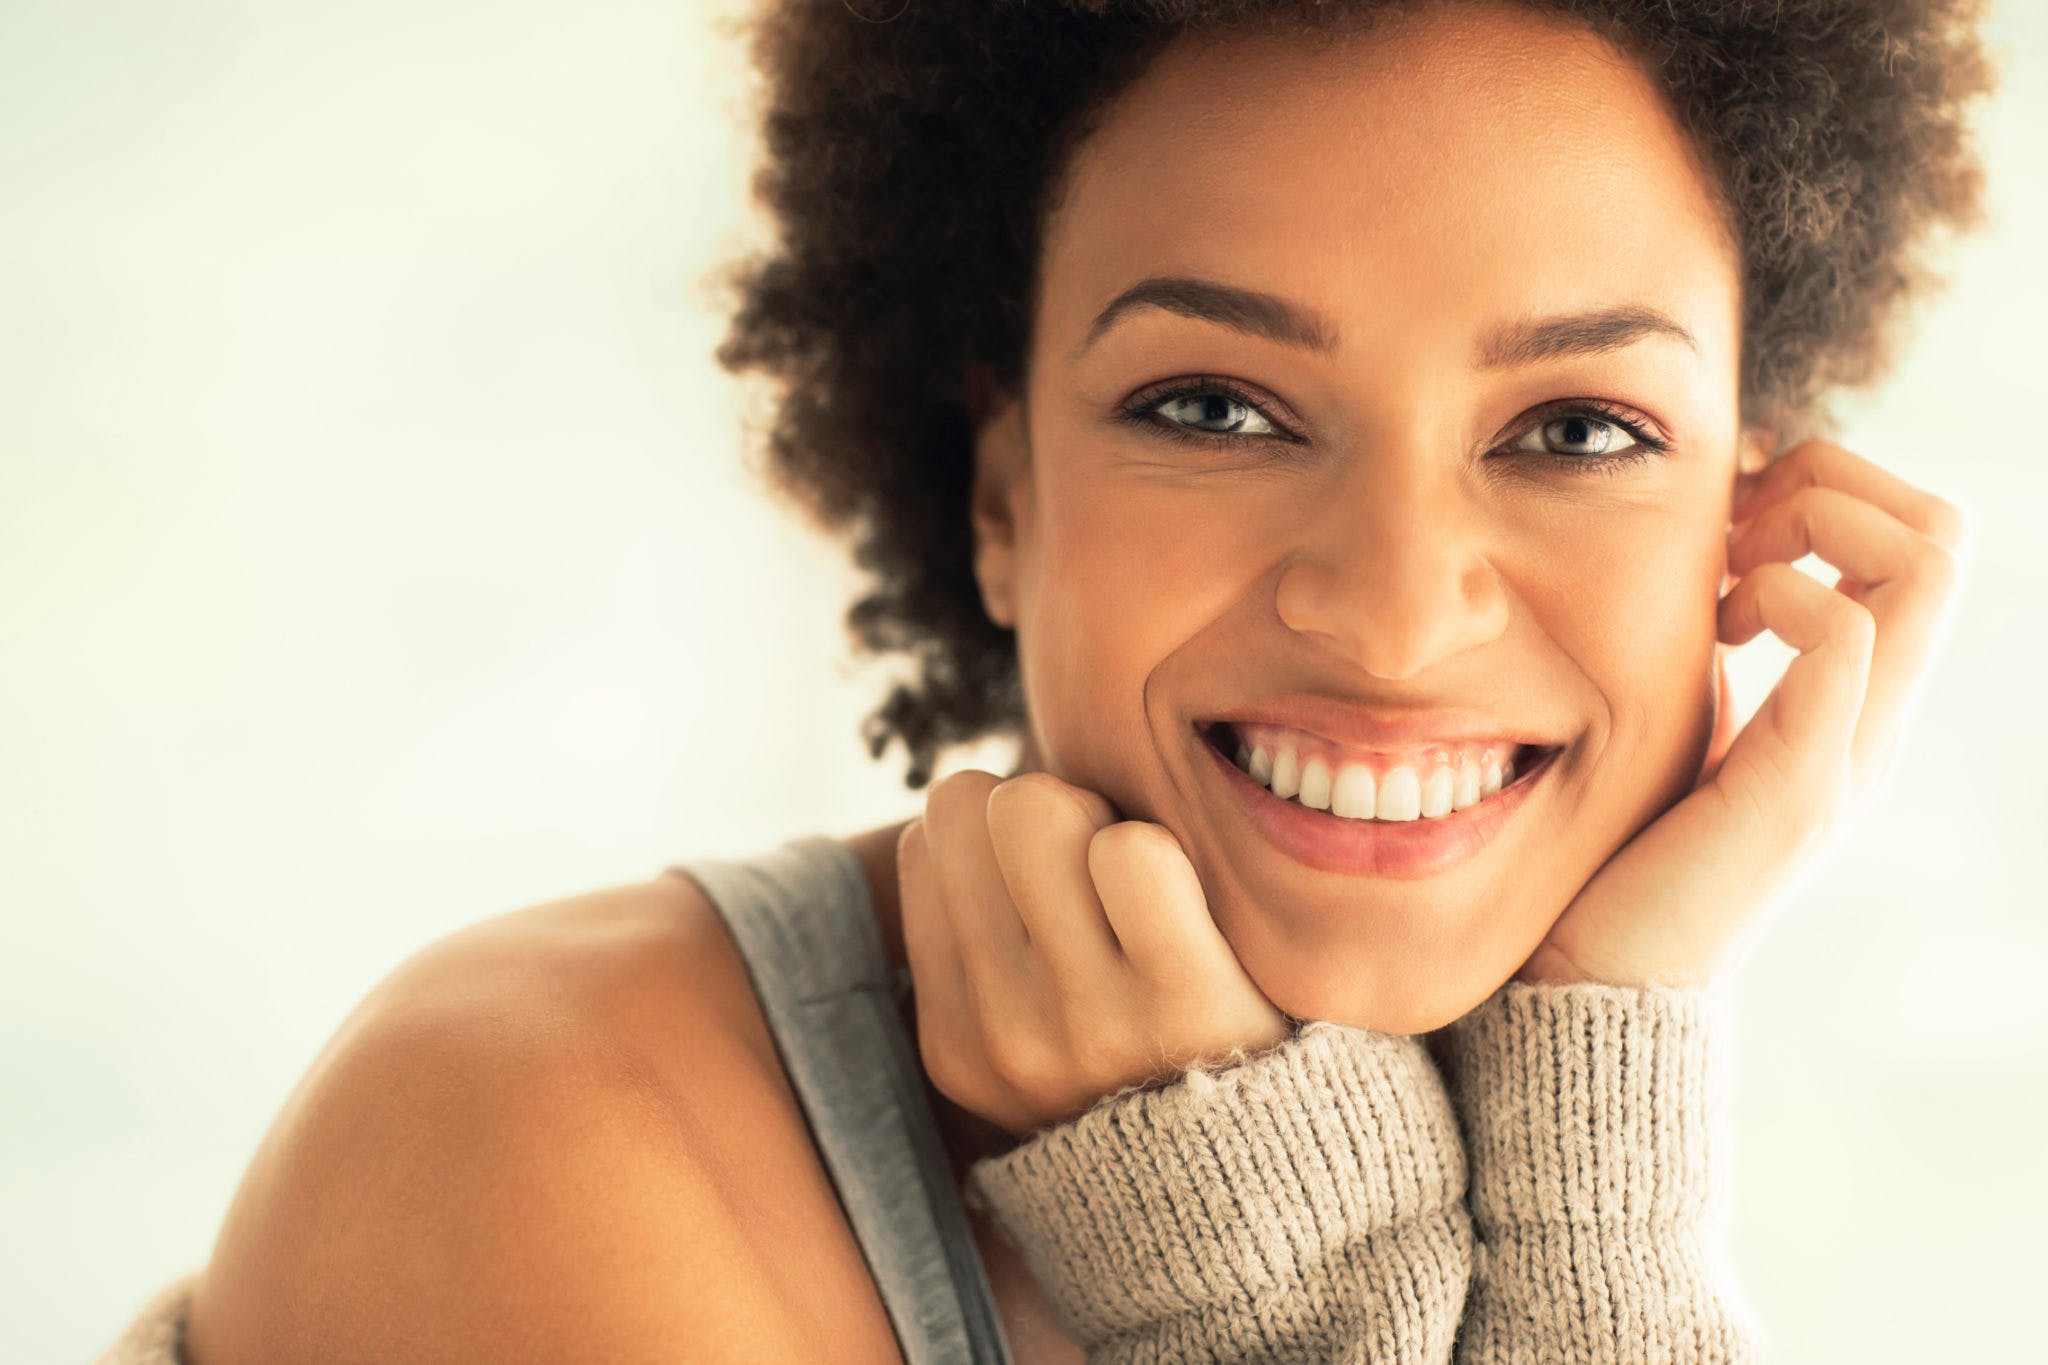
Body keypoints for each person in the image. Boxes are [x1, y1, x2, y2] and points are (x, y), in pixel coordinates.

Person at [98, 0, 1997, 1360]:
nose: (1399, 614)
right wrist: (1277, 1292)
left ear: (1748, 534)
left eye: (1578, 429)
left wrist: (1605, 1116)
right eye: (1213, 406)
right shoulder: (543, 1130)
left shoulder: (1547, 1115)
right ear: (1005, 499)